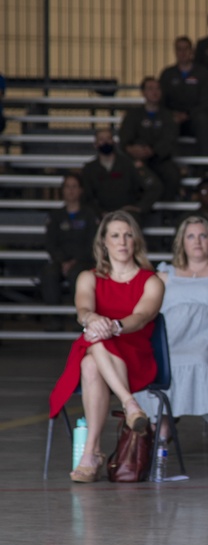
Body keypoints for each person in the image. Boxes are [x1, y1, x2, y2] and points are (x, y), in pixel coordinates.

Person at [48, 211, 165, 483]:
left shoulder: (152, 281)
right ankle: (130, 406)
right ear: (104, 242)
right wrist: (93, 319)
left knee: (92, 354)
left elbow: (142, 317)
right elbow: (83, 309)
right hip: (95, 344)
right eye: (115, 235)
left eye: (128, 235)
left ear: (136, 240)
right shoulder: (88, 277)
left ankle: (91, 455)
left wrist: (114, 326)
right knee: (92, 351)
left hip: (134, 351)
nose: (122, 241)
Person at [135, 216, 208, 433]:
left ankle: (163, 432)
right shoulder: (164, 275)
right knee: (154, 363)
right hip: (172, 338)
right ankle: (158, 430)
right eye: (191, 236)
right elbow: (147, 311)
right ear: (182, 242)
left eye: (203, 236)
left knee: (199, 359)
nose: (197, 241)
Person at [40, 174, 100, 329]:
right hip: (60, 262)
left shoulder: (89, 215)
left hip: (83, 261)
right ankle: (55, 319)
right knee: (48, 273)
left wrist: (74, 261)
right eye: (67, 186)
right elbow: (51, 243)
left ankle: (79, 318)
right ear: (62, 190)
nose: (71, 190)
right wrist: (62, 262)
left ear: (80, 190)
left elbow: (93, 242)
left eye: (74, 186)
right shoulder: (55, 216)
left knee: (78, 275)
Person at [80, 127, 162, 222]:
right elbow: (86, 197)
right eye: (101, 139)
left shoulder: (128, 164)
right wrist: (99, 212)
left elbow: (155, 186)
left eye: (108, 139)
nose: (105, 142)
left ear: (114, 142)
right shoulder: (89, 169)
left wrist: (139, 207)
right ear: (95, 144)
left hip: (127, 214)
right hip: (100, 216)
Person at [119, 76, 181, 200]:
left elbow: (169, 139)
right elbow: (124, 138)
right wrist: (132, 149)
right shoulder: (133, 115)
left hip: (160, 159)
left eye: (157, 88)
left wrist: (152, 150)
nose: (154, 92)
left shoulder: (167, 116)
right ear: (143, 92)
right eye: (150, 88)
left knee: (172, 174)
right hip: (137, 160)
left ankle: (165, 211)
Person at [159, 36, 208, 156]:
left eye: (186, 49)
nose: (183, 53)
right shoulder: (167, 74)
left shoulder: (202, 73)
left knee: (203, 121)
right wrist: (173, 114)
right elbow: (160, 100)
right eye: (179, 49)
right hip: (173, 118)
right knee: (164, 122)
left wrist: (189, 114)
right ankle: (167, 162)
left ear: (192, 51)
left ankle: (204, 164)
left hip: (195, 118)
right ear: (175, 51)